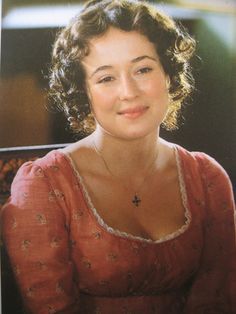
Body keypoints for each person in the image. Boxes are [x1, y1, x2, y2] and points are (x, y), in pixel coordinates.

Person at [1, 0, 235, 313]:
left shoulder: (207, 178)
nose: (128, 91)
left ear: (169, 75)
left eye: (143, 69)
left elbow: (217, 301)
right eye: (106, 78)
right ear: (84, 91)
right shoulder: (44, 186)